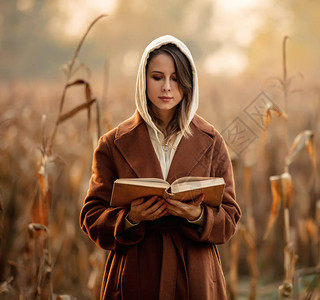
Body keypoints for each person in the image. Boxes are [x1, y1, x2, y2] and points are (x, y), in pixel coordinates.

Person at [80, 35, 241, 300]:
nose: (167, 87)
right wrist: (131, 217)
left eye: (176, 78)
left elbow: (230, 217)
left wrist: (197, 216)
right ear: (143, 80)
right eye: (157, 77)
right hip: (135, 271)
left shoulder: (211, 140)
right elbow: (92, 217)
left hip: (195, 273)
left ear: (188, 82)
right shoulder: (112, 143)